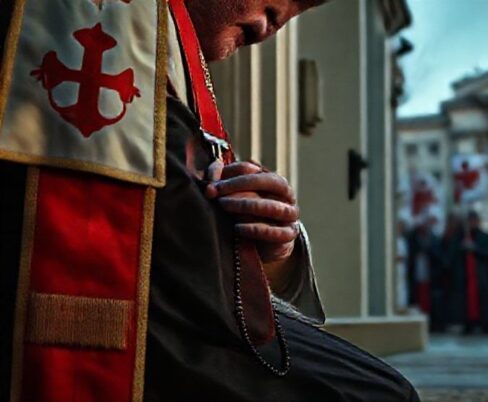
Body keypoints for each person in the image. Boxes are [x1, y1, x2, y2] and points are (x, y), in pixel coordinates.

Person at [0, 1, 419, 401]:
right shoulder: (100, 24)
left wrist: (274, 247)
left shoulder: (171, 54)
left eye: (294, 13)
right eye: (282, 3)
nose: (272, 23)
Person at [457, 211, 488, 334]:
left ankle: (486, 325)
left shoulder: (485, 237)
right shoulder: (461, 237)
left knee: (484, 301)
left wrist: (475, 249)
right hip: (467, 276)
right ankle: (468, 324)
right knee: (466, 302)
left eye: (474, 220)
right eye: (470, 221)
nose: (472, 223)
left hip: (482, 275)